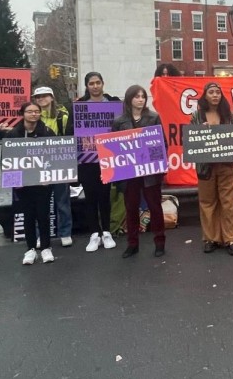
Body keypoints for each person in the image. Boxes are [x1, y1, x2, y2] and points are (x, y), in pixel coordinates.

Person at [112, 84, 167, 258]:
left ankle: (159, 242)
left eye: (143, 96)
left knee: (155, 207)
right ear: (129, 99)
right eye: (137, 96)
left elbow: (162, 144)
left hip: (150, 173)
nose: (141, 99)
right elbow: (113, 149)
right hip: (129, 175)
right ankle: (132, 244)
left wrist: (157, 165)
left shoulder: (153, 117)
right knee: (131, 209)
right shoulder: (119, 122)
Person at [191, 81, 233, 255]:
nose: (215, 95)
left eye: (217, 92)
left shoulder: (229, 115)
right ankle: (210, 238)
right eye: (211, 92)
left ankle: (231, 239)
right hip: (205, 168)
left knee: (229, 202)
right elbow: (190, 141)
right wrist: (199, 131)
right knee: (207, 202)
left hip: (226, 165)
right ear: (205, 95)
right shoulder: (197, 116)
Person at [75, 71, 120, 252]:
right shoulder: (79, 107)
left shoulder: (114, 103)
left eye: (97, 82)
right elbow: (72, 130)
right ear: (87, 86)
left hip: (108, 157)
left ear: (103, 83)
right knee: (90, 197)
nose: (95, 86)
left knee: (105, 195)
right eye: (91, 83)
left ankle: (107, 231)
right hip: (87, 159)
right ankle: (94, 233)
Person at [5, 102, 55, 265]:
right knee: (28, 216)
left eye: (36, 111)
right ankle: (30, 249)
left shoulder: (47, 132)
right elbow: (7, 160)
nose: (33, 114)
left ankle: (46, 247)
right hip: (23, 184)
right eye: (30, 111)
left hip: (43, 182)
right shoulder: (14, 134)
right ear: (23, 113)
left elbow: (56, 156)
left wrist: (50, 176)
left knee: (43, 215)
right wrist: (14, 181)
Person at [32, 86, 73, 247]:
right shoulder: (33, 115)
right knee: (39, 202)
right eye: (37, 97)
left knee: (62, 200)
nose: (41, 99)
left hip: (59, 162)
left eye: (44, 96)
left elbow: (69, 135)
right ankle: (40, 235)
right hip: (38, 164)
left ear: (51, 97)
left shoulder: (62, 116)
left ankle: (65, 232)